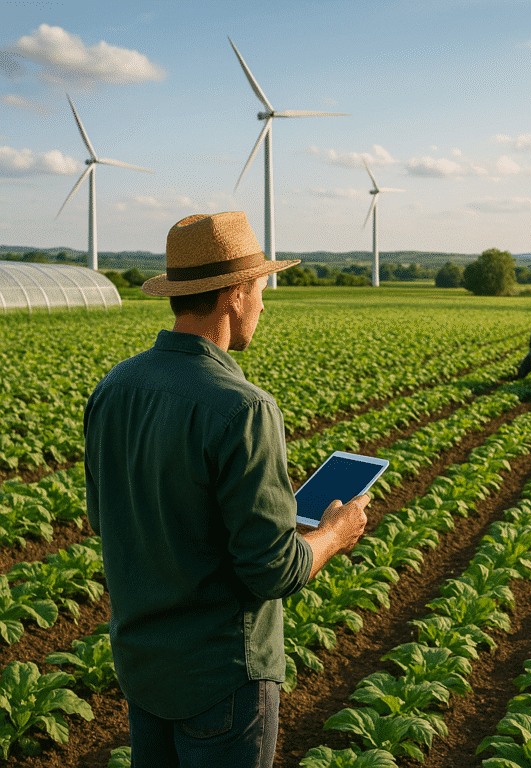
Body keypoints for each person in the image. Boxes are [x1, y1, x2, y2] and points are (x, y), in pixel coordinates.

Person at [84, 211, 370, 768]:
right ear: (235, 296)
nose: (263, 304)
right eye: (261, 288)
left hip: (143, 666)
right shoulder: (243, 407)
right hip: (221, 677)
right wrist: (334, 534)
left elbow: (107, 518)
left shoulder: (114, 387)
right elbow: (273, 572)